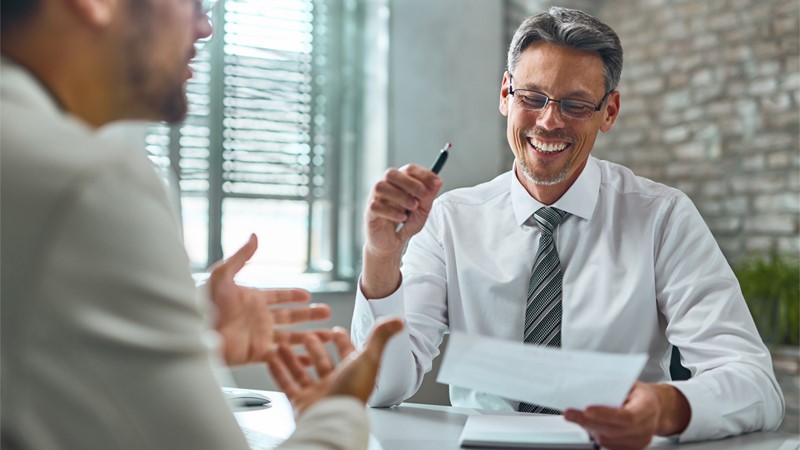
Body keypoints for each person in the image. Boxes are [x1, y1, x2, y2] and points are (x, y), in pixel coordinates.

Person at [351, 6, 784, 450]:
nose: (549, 121)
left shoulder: (663, 217)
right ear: (505, 95)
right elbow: (378, 389)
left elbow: (756, 387)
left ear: (609, 112)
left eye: (575, 104)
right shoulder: (450, 221)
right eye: (532, 97)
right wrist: (382, 256)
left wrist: (663, 407)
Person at [0, 0, 400, 449]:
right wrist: (337, 415)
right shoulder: (89, 182)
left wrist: (176, 321)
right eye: (193, 3)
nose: (206, 27)